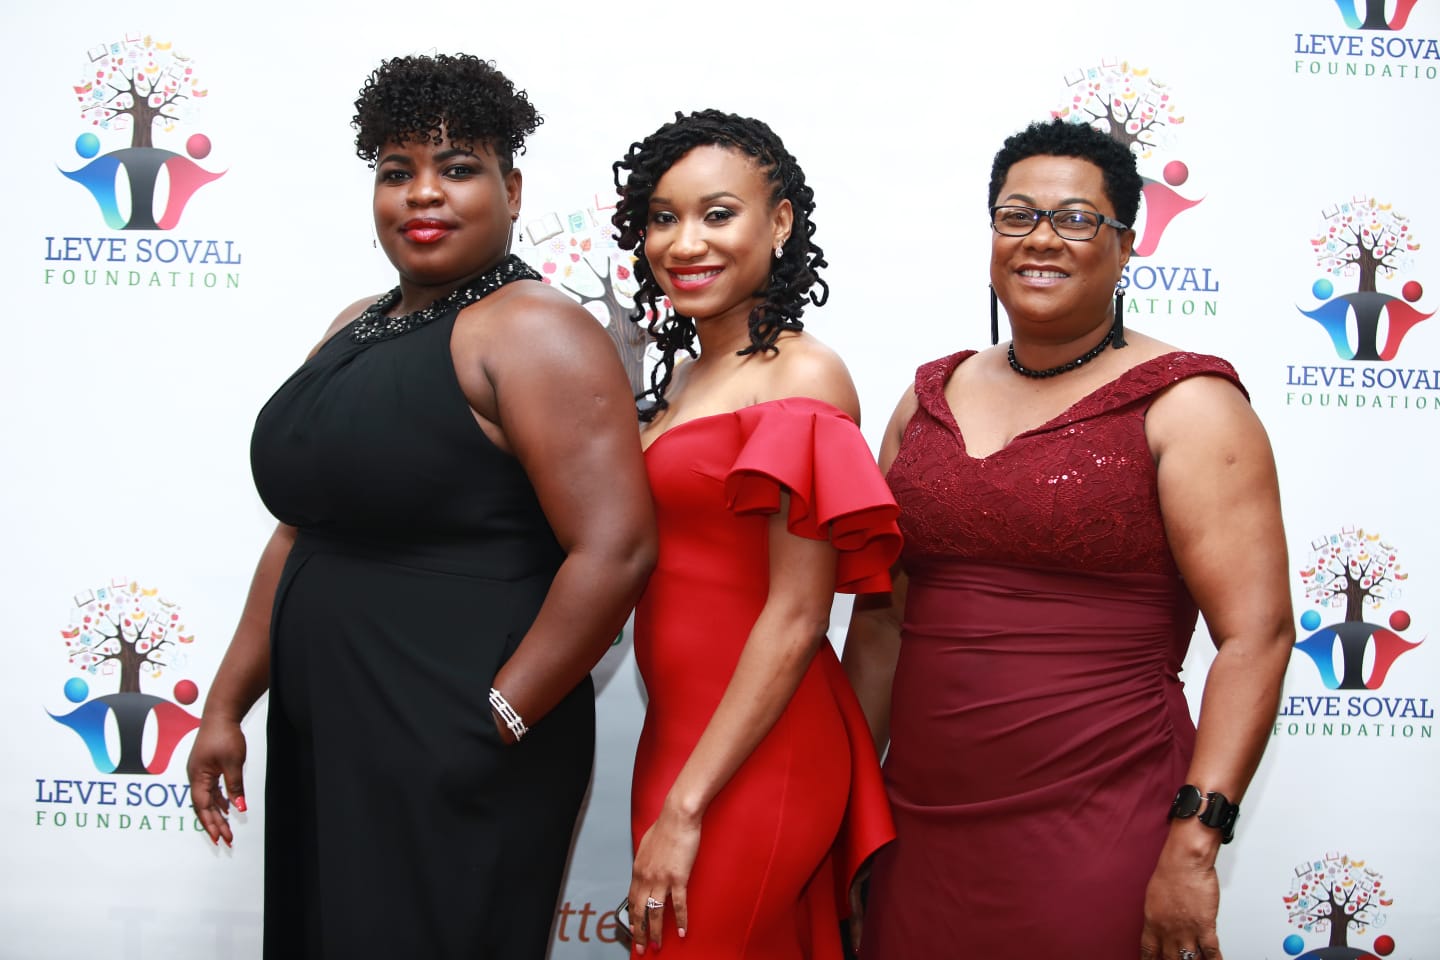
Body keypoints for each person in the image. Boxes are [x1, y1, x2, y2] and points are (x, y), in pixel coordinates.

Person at [185, 53, 656, 958]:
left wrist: (498, 717)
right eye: (397, 172)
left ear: (512, 189)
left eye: (458, 167)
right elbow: (301, 530)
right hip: (332, 727)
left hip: (461, 743)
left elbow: (617, 551)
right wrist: (225, 705)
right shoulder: (355, 323)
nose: (423, 195)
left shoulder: (535, 329)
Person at [842, 118, 1293, 960]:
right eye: (1016, 216)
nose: (1041, 238)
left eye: (1077, 218)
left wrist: (1195, 844)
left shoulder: (1189, 405)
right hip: (918, 827)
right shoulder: (926, 400)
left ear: (1126, 246)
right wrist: (847, 816)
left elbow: (1255, 637)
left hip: (1102, 818)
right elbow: (881, 624)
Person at [611, 109, 899, 958]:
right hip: (680, 739)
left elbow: (796, 616)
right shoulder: (687, 379)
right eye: (663, 217)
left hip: (756, 755)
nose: (684, 242)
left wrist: (687, 806)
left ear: (779, 222)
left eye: (717, 213)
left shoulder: (802, 375)